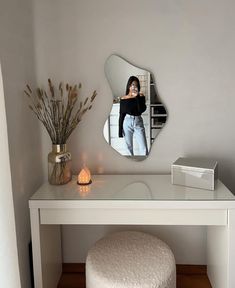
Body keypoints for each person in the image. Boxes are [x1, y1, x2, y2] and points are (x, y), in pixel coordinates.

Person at [119, 76, 148, 156]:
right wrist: (120, 131)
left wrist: (137, 97)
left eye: (136, 85)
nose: (134, 86)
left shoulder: (140, 96)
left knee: (143, 147)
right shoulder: (124, 98)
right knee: (128, 148)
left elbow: (141, 110)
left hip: (138, 120)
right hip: (126, 122)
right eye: (132, 84)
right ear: (129, 85)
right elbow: (121, 114)